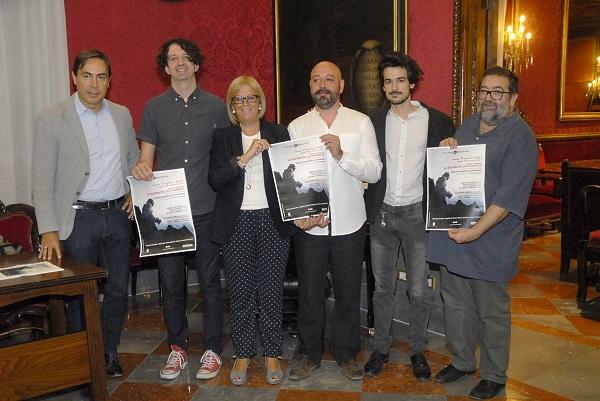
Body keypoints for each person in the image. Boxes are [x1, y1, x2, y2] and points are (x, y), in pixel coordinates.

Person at [427, 66, 537, 400]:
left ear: (513, 98)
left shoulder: (522, 138)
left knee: (491, 313)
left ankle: (493, 373)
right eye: (484, 91)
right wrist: (449, 147)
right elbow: (454, 169)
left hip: (491, 240)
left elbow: (507, 200)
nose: (489, 97)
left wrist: (475, 232)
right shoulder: (469, 125)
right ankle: (462, 361)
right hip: (455, 237)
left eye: (498, 91)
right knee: (456, 304)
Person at [33, 49, 140, 378]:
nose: (95, 84)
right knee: (82, 294)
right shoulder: (53, 117)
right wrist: (49, 230)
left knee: (119, 289)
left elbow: (134, 159)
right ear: (74, 77)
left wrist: (136, 192)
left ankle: (108, 351)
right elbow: (41, 179)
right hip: (77, 220)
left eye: (102, 76)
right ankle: (85, 355)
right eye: (88, 76)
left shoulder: (121, 114)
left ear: (110, 80)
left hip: (117, 216)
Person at [131, 38, 229, 380]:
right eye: (173, 58)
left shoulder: (218, 107)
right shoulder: (153, 108)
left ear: (196, 64)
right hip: (168, 214)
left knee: (209, 283)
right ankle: (177, 349)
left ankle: (213, 350)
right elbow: (145, 160)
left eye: (186, 57)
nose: (180, 63)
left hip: (206, 208)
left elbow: (224, 159)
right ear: (165, 67)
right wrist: (140, 170)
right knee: (171, 284)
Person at [287, 61, 382, 381]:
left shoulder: (361, 123)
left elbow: (374, 171)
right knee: (310, 293)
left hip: (350, 223)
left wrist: (343, 155)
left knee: (347, 292)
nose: (322, 85)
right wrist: (300, 216)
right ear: (310, 86)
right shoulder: (297, 127)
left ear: (341, 86)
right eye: (316, 80)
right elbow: (292, 179)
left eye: (329, 79)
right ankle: (308, 353)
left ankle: (346, 353)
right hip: (310, 227)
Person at [364, 53, 455, 380]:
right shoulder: (372, 120)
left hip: (418, 215)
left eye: (400, 80)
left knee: (418, 290)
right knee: (382, 288)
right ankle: (381, 348)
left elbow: (451, 162)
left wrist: (451, 146)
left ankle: (418, 349)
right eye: (388, 81)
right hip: (382, 215)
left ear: (412, 83)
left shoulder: (438, 121)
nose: (394, 87)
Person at [208, 76, 297, 385]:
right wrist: (244, 158)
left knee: (271, 289)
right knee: (242, 290)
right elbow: (215, 179)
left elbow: (291, 175)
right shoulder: (223, 138)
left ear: (260, 103)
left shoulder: (278, 133)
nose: (245, 104)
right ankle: (243, 353)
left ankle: (272, 353)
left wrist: (304, 212)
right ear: (232, 107)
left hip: (273, 220)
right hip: (237, 222)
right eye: (238, 99)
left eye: (251, 98)